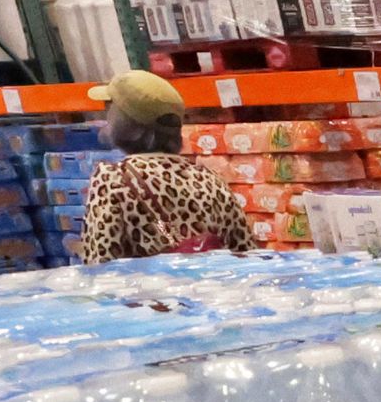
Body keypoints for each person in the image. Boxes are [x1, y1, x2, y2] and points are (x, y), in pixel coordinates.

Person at [73, 69, 253, 263]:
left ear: (122, 122)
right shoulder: (210, 178)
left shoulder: (113, 179)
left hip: (152, 292)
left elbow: (100, 264)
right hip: (211, 290)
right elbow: (246, 253)